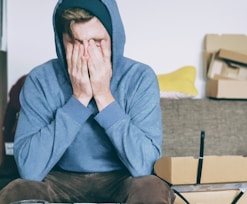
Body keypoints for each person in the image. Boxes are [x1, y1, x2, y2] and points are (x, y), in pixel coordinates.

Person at [0, 0, 175, 203]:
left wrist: (104, 97)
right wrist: (79, 99)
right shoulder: (40, 79)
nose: (86, 55)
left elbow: (144, 166)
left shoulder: (139, 78)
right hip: (59, 178)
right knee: (19, 190)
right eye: (75, 42)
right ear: (61, 41)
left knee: (151, 187)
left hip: (122, 178)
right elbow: (30, 170)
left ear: (114, 39)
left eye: (97, 41)